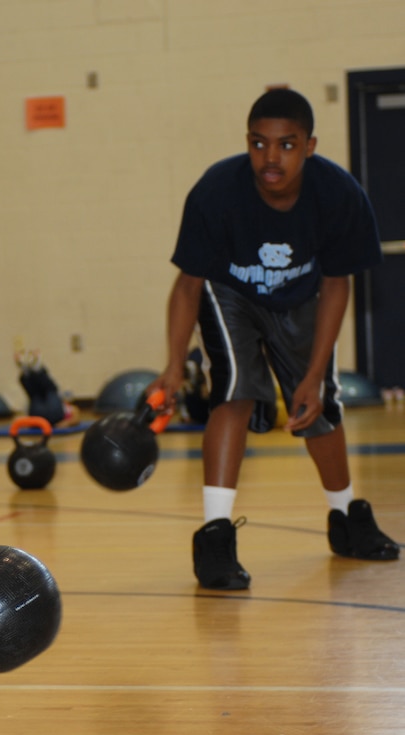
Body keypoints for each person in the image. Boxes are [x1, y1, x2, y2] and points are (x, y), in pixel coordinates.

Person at [151, 87, 400, 591]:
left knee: (320, 406)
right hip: (229, 293)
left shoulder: (339, 195)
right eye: (260, 143)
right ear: (247, 142)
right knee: (235, 391)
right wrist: (174, 365)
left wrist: (311, 377)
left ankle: (345, 517)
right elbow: (187, 285)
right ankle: (215, 536)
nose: (271, 157)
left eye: (287, 145)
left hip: (306, 296)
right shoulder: (215, 192)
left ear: (309, 146)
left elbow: (336, 284)